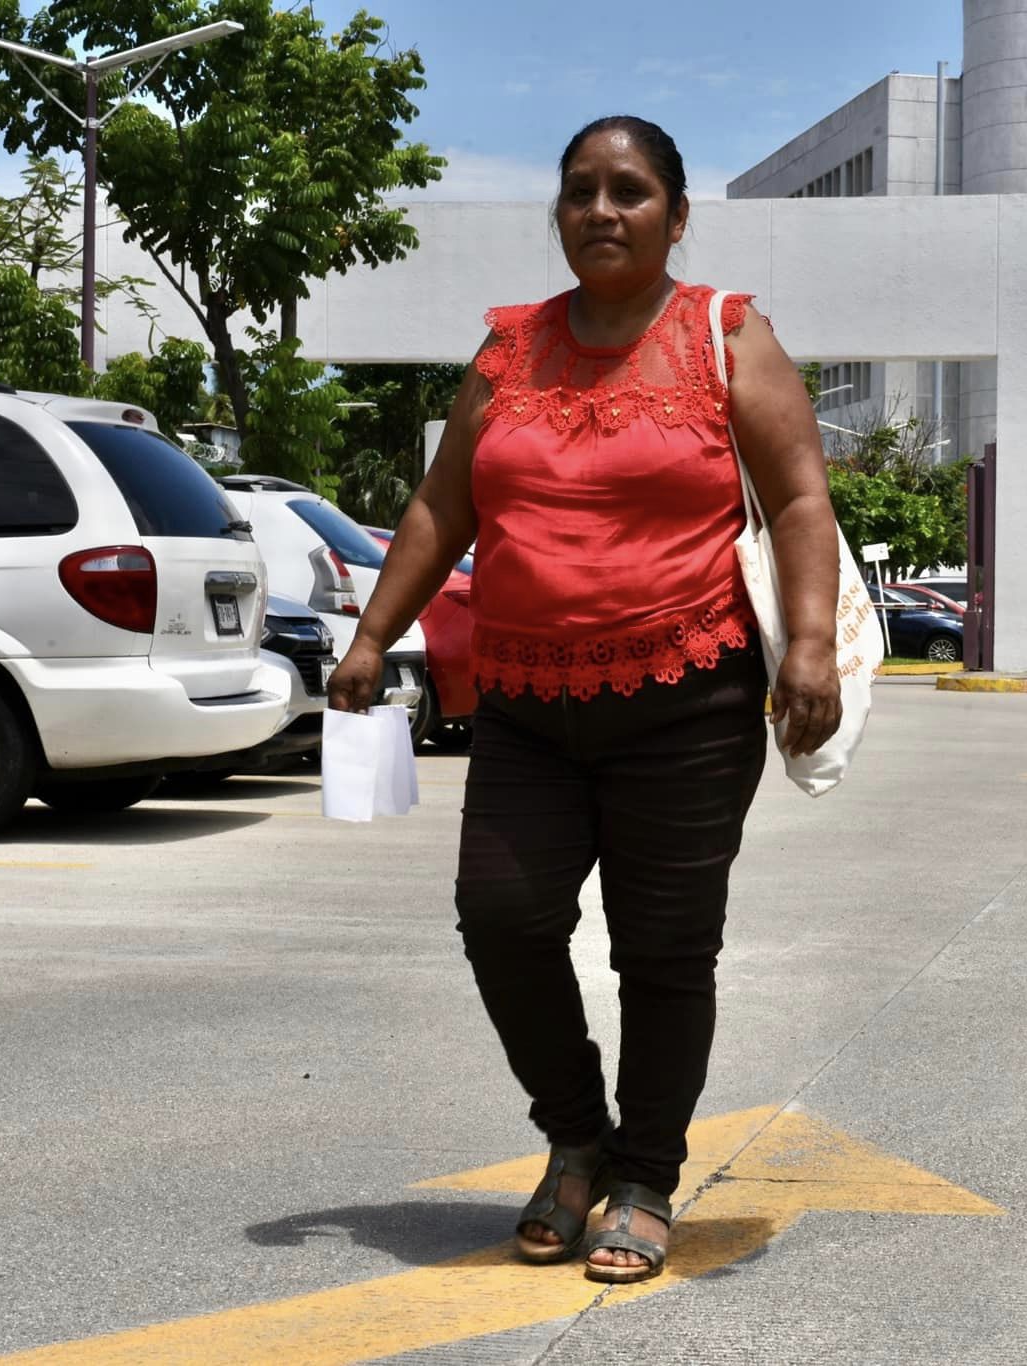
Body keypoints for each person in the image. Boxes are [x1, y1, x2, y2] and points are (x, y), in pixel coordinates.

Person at [326, 114, 843, 1285]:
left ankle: (645, 1175)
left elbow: (800, 498)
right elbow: (438, 510)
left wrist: (805, 645)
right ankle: (576, 1135)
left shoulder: (724, 335)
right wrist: (372, 637)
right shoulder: (508, 351)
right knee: (500, 917)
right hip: (522, 700)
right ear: (556, 211)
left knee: (663, 948)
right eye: (580, 192)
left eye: (629, 191)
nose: (602, 212)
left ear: (674, 212)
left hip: (690, 698)